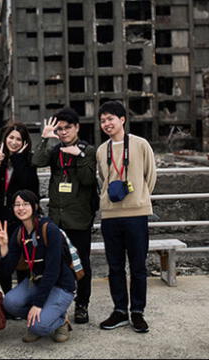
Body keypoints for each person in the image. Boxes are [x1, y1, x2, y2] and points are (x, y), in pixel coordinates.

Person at [31, 107, 97, 324]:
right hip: (57, 218)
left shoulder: (88, 150)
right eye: (59, 129)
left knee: (82, 263)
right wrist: (45, 138)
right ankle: (59, 303)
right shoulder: (56, 150)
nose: (64, 132)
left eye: (68, 128)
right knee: (57, 262)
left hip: (78, 218)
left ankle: (82, 305)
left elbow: (88, 180)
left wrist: (78, 156)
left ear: (77, 127)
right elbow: (37, 161)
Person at [95, 100, 156, 333]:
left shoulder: (141, 145)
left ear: (122, 119)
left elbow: (150, 176)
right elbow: (103, 178)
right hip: (110, 215)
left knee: (138, 266)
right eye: (103, 120)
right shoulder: (102, 150)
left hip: (137, 214)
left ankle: (138, 312)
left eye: (111, 118)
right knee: (115, 266)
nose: (106, 123)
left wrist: (139, 198)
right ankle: (120, 310)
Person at [0, 190, 76, 343]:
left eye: (25, 204)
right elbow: (6, 271)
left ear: (35, 206)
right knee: (9, 303)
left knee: (38, 326)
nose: (21, 208)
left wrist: (38, 304)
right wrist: (4, 247)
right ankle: (41, 319)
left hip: (60, 285)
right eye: (17, 205)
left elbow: (53, 270)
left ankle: (61, 321)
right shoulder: (19, 233)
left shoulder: (49, 229)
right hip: (38, 282)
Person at [0, 122, 39, 295]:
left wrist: (18, 159)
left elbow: (29, 187)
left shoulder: (29, 160)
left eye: (18, 139)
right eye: (11, 137)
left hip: (20, 217)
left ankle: (21, 299)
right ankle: (9, 297)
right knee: (3, 262)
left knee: (22, 263)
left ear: (24, 142)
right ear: (5, 138)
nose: (14, 142)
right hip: (0, 217)